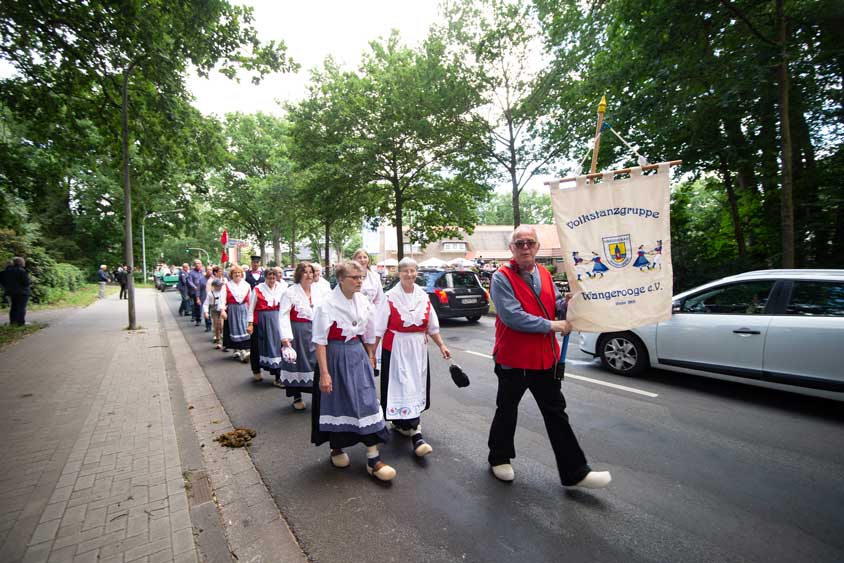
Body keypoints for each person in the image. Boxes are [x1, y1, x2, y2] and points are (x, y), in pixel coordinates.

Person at [487, 225, 611, 489]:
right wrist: (553, 325)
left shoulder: (544, 273)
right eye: (519, 243)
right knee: (507, 411)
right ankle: (499, 457)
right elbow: (512, 316)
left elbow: (554, 305)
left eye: (529, 243)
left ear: (537, 247)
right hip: (514, 359)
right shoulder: (501, 277)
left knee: (556, 414)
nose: (525, 248)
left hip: (546, 359)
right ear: (511, 248)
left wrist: (567, 305)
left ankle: (575, 472)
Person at [311, 260, 395, 481]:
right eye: (354, 278)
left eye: (361, 278)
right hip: (335, 357)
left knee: (367, 401)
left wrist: (370, 356)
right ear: (340, 279)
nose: (359, 281)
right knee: (338, 403)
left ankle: (373, 457)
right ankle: (336, 449)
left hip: (357, 354)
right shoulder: (326, 304)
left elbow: (369, 333)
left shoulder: (364, 301)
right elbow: (319, 341)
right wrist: (325, 373)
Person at [374, 257, 450, 458]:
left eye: (412, 270)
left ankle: (413, 427)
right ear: (399, 273)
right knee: (398, 385)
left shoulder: (423, 296)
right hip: (396, 347)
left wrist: (441, 345)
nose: (409, 274)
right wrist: (371, 353)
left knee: (415, 385)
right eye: (405, 271)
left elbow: (432, 325)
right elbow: (379, 328)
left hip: (417, 348)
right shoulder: (389, 297)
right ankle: (407, 427)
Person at [279, 262, 322, 410]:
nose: (309, 274)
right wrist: (285, 337)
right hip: (296, 331)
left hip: (315, 330)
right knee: (296, 362)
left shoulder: (318, 291)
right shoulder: (290, 292)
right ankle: (296, 395)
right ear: (299, 274)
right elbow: (283, 315)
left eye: (311, 272)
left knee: (316, 362)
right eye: (305, 272)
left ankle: (318, 394)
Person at [247, 267, 287, 383]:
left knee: (278, 347)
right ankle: (257, 370)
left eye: (274, 277)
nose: (272, 279)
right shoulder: (258, 289)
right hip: (262, 321)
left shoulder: (282, 288)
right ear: (265, 277)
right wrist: (249, 324)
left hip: (277, 320)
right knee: (259, 347)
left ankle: (278, 376)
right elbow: (251, 308)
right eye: (269, 277)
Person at [352, 249, 384, 372]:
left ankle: (372, 365)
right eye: (359, 257)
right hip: (355, 313)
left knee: (372, 341)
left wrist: (378, 316)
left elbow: (379, 299)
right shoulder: (351, 275)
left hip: (371, 313)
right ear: (354, 259)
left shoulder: (375, 276)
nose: (362, 259)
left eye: (365, 257)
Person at [220, 265, 251, 362]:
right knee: (234, 328)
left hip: (244, 309)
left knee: (244, 328)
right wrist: (222, 310)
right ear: (231, 275)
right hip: (233, 310)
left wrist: (251, 312)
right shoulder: (227, 286)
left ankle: (244, 349)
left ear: (242, 274)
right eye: (235, 273)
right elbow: (222, 299)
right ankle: (238, 349)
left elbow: (250, 299)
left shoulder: (247, 285)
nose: (237, 274)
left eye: (239, 273)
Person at [1, 257, 31, 326]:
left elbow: (2, 282)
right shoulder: (21, 271)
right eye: (23, 261)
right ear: (20, 263)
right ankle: (21, 323)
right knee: (21, 307)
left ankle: (13, 322)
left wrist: (6, 287)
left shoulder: (4, 272)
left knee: (13, 307)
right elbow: (26, 282)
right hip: (22, 292)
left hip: (10, 292)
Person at [204, 266, 225, 347]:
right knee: (216, 326)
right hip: (214, 310)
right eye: (218, 286)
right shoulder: (210, 294)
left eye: (220, 285)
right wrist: (206, 312)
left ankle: (224, 341)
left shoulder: (223, 292)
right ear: (214, 286)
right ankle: (218, 339)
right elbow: (206, 304)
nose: (220, 287)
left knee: (222, 325)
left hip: (221, 309)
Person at [187, 260, 207, 327]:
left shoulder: (204, 272)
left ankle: (208, 321)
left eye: (199, 263)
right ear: (194, 265)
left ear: (201, 264)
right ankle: (198, 320)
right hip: (196, 292)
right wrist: (194, 287)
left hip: (204, 291)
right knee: (198, 306)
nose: (197, 265)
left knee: (207, 306)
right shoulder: (191, 273)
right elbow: (189, 281)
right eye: (196, 263)